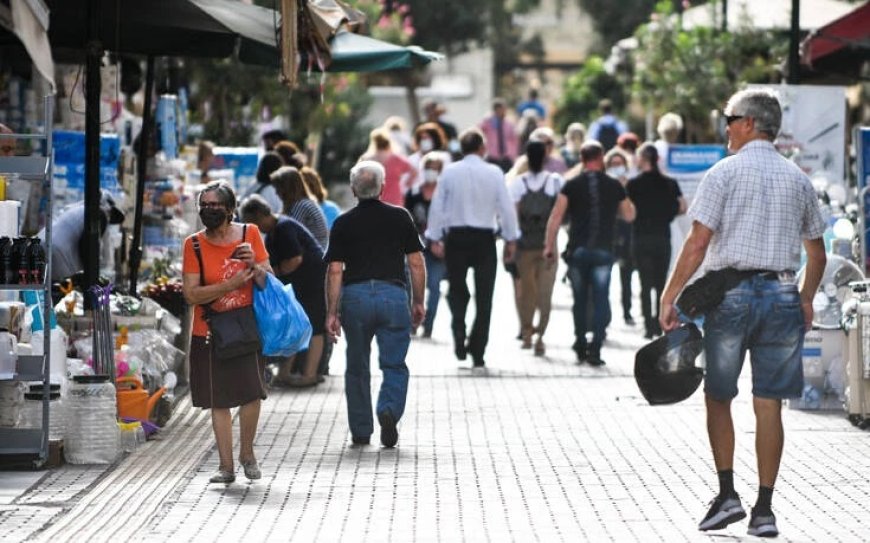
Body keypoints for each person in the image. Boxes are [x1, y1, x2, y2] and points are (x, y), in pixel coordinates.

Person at [658, 89, 826, 538]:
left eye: (730, 118)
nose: (726, 126)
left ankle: (727, 493)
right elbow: (817, 252)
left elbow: (697, 243)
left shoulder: (723, 173)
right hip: (782, 294)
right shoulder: (798, 179)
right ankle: (765, 509)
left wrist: (671, 295)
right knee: (769, 403)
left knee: (719, 395)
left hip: (730, 296)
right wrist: (806, 298)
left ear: (749, 123)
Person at [324, 161, 425, 448]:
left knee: (356, 366)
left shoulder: (342, 222)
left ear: (354, 189)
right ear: (382, 187)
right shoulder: (400, 217)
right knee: (394, 363)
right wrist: (418, 301)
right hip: (392, 296)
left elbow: (334, 270)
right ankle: (388, 409)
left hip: (355, 298)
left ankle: (360, 430)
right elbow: (416, 263)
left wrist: (332, 312)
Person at [181, 181, 272, 484]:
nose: (209, 210)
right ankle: (226, 466)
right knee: (218, 400)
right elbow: (192, 295)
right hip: (208, 331)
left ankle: (247, 454)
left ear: (231, 209)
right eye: (204, 205)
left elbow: (267, 281)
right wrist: (230, 285)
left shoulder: (250, 235)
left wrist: (254, 266)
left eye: (216, 205)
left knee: (251, 393)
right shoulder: (193, 244)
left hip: (245, 326)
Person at [426, 128, 519, 370]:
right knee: (485, 296)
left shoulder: (449, 173)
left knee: (456, 289)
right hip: (484, 239)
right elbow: (505, 207)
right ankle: (478, 350)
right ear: (482, 148)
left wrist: (434, 237)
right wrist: (511, 238)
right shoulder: (494, 172)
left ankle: (459, 328)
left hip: (456, 238)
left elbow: (438, 206)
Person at [544, 141, 635, 366]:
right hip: (604, 250)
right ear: (601, 157)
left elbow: (556, 217)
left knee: (580, 299)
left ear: (582, 160)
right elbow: (630, 215)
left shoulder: (571, 185)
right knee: (601, 297)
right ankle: (596, 346)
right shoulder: (613, 185)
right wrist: (622, 190)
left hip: (578, 250)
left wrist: (548, 246)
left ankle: (579, 342)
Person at [239, 195, 326, 388]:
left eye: (253, 223)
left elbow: (294, 260)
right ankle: (285, 373)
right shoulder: (273, 232)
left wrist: (272, 274)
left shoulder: (284, 227)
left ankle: (309, 374)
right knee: (292, 323)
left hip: (313, 281)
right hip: (298, 283)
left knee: (315, 326)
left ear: (261, 214)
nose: (254, 228)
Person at [626, 143, 686, 338]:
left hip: (641, 237)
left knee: (644, 283)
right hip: (662, 237)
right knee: (661, 283)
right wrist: (666, 214)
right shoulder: (670, 183)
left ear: (642, 159)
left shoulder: (633, 184)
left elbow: (629, 211)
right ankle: (659, 321)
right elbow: (682, 207)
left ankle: (647, 327)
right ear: (657, 160)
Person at [510, 141, 563, 356]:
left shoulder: (516, 184)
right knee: (545, 293)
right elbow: (559, 216)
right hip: (547, 246)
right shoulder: (555, 182)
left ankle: (526, 333)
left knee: (526, 293)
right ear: (545, 158)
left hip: (524, 247)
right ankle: (541, 335)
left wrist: (510, 244)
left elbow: (512, 219)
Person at [40, 190, 125, 282]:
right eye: (111, 214)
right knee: (63, 292)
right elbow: (88, 246)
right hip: (58, 255)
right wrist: (91, 274)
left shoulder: (76, 210)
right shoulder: (99, 214)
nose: (109, 218)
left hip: (40, 245)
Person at [404, 152, 446, 338]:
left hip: (437, 247)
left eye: (435, 169)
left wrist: (443, 242)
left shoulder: (445, 195)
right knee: (412, 284)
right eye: (428, 168)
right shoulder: (413, 194)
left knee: (435, 286)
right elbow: (405, 220)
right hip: (416, 246)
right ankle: (413, 321)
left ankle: (429, 326)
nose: (431, 172)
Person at [605, 147, 636, 326]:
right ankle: (605, 315)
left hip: (626, 232)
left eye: (620, 164)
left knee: (627, 275)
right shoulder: (604, 185)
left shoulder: (631, 184)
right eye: (613, 164)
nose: (617, 167)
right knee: (605, 276)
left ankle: (627, 311)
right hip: (609, 234)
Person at [271, 166, 329, 248]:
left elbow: (288, 234)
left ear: (287, 188)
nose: (276, 193)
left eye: (278, 188)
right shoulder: (300, 203)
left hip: (312, 256)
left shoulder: (301, 205)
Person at [360, 128, 416, 207]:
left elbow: (358, 177)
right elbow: (414, 171)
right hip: (395, 200)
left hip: (373, 200)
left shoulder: (367, 159)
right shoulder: (396, 158)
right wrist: (407, 184)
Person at [405, 123, 450, 194]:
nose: (425, 141)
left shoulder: (444, 157)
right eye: (422, 138)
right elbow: (405, 184)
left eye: (428, 138)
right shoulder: (411, 160)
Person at [479, 98, 519, 173]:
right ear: (495, 110)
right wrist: (488, 119)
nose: (503, 112)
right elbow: (479, 129)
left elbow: (514, 140)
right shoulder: (489, 122)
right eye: (501, 109)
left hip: (506, 158)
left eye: (504, 109)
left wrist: (513, 155)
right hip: (492, 157)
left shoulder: (509, 124)